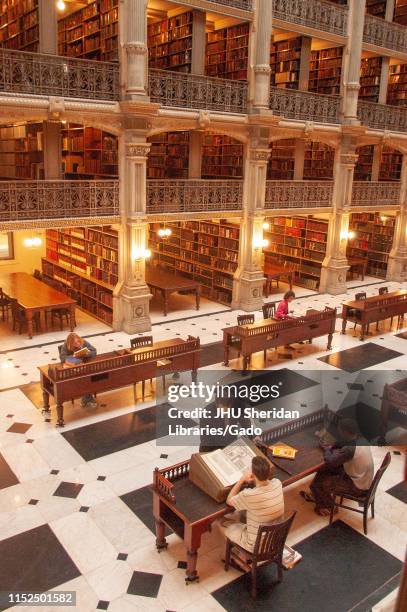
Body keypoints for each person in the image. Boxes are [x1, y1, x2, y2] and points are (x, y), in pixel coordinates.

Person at [301, 418, 374, 516]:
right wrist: (334, 445)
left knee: (318, 484)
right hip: (363, 478)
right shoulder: (361, 439)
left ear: (345, 432)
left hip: (357, 487)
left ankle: (329, 507)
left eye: (340, 430)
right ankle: (320, 497)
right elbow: (344, 444)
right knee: (324, 470)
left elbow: (330, 460)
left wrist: (326, 449)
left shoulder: (350, 449)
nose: (338, 431)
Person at [219, 455, 284, 554]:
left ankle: (242, 556)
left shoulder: (249, 495)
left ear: (253, 475)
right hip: (275, 539)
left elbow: (229, 500)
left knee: (220, 522)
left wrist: (242, 480)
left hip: (255, 546)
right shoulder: (277, 483)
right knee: (245, 515)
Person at [59, 332, 97, 409]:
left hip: (83, 366)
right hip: (72, 368)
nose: (77, 343)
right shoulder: (66, 346)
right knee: (84, 379)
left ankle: (86, 399)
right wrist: (73, 356)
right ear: (70, 343)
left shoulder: (83, 342)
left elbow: (94, 351)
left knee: (88, 377)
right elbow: (62, 358)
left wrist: (86, 354)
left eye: (78, 341)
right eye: (75, 343)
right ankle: (87, 399)